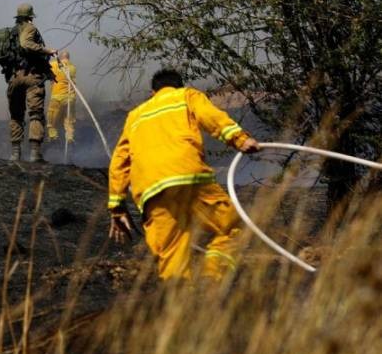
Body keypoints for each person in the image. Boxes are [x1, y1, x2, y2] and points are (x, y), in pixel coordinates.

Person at [108, 69, 260, 281]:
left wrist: (117, 208)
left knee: (171, 253)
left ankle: (179, 300)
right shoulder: (187, 96)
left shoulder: (135, 116)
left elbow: (119, 161)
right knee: (233, 228)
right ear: (178, 86)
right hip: (189, 177)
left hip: (151, 191)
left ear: (153, 93)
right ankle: (213, 276)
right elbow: (211, 117)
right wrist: (239, 139)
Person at [7, 3, 56, 162]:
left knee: (16, 115)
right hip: (31, 77)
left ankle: (15, 153)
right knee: (35, 113)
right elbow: (26, 44)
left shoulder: (11, 33)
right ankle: (35, 153)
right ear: (30, 16)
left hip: (14, 78)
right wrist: (47, 50)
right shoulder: (30, 28)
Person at [47, 50, 77, 144]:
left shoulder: (54, 65)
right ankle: (70, 137)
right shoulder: (72, 67)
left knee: (51, 119)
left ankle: (53, 135)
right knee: (68, 119)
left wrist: (49, 53)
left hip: (57, 98)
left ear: (59, 57)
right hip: (70, 97)